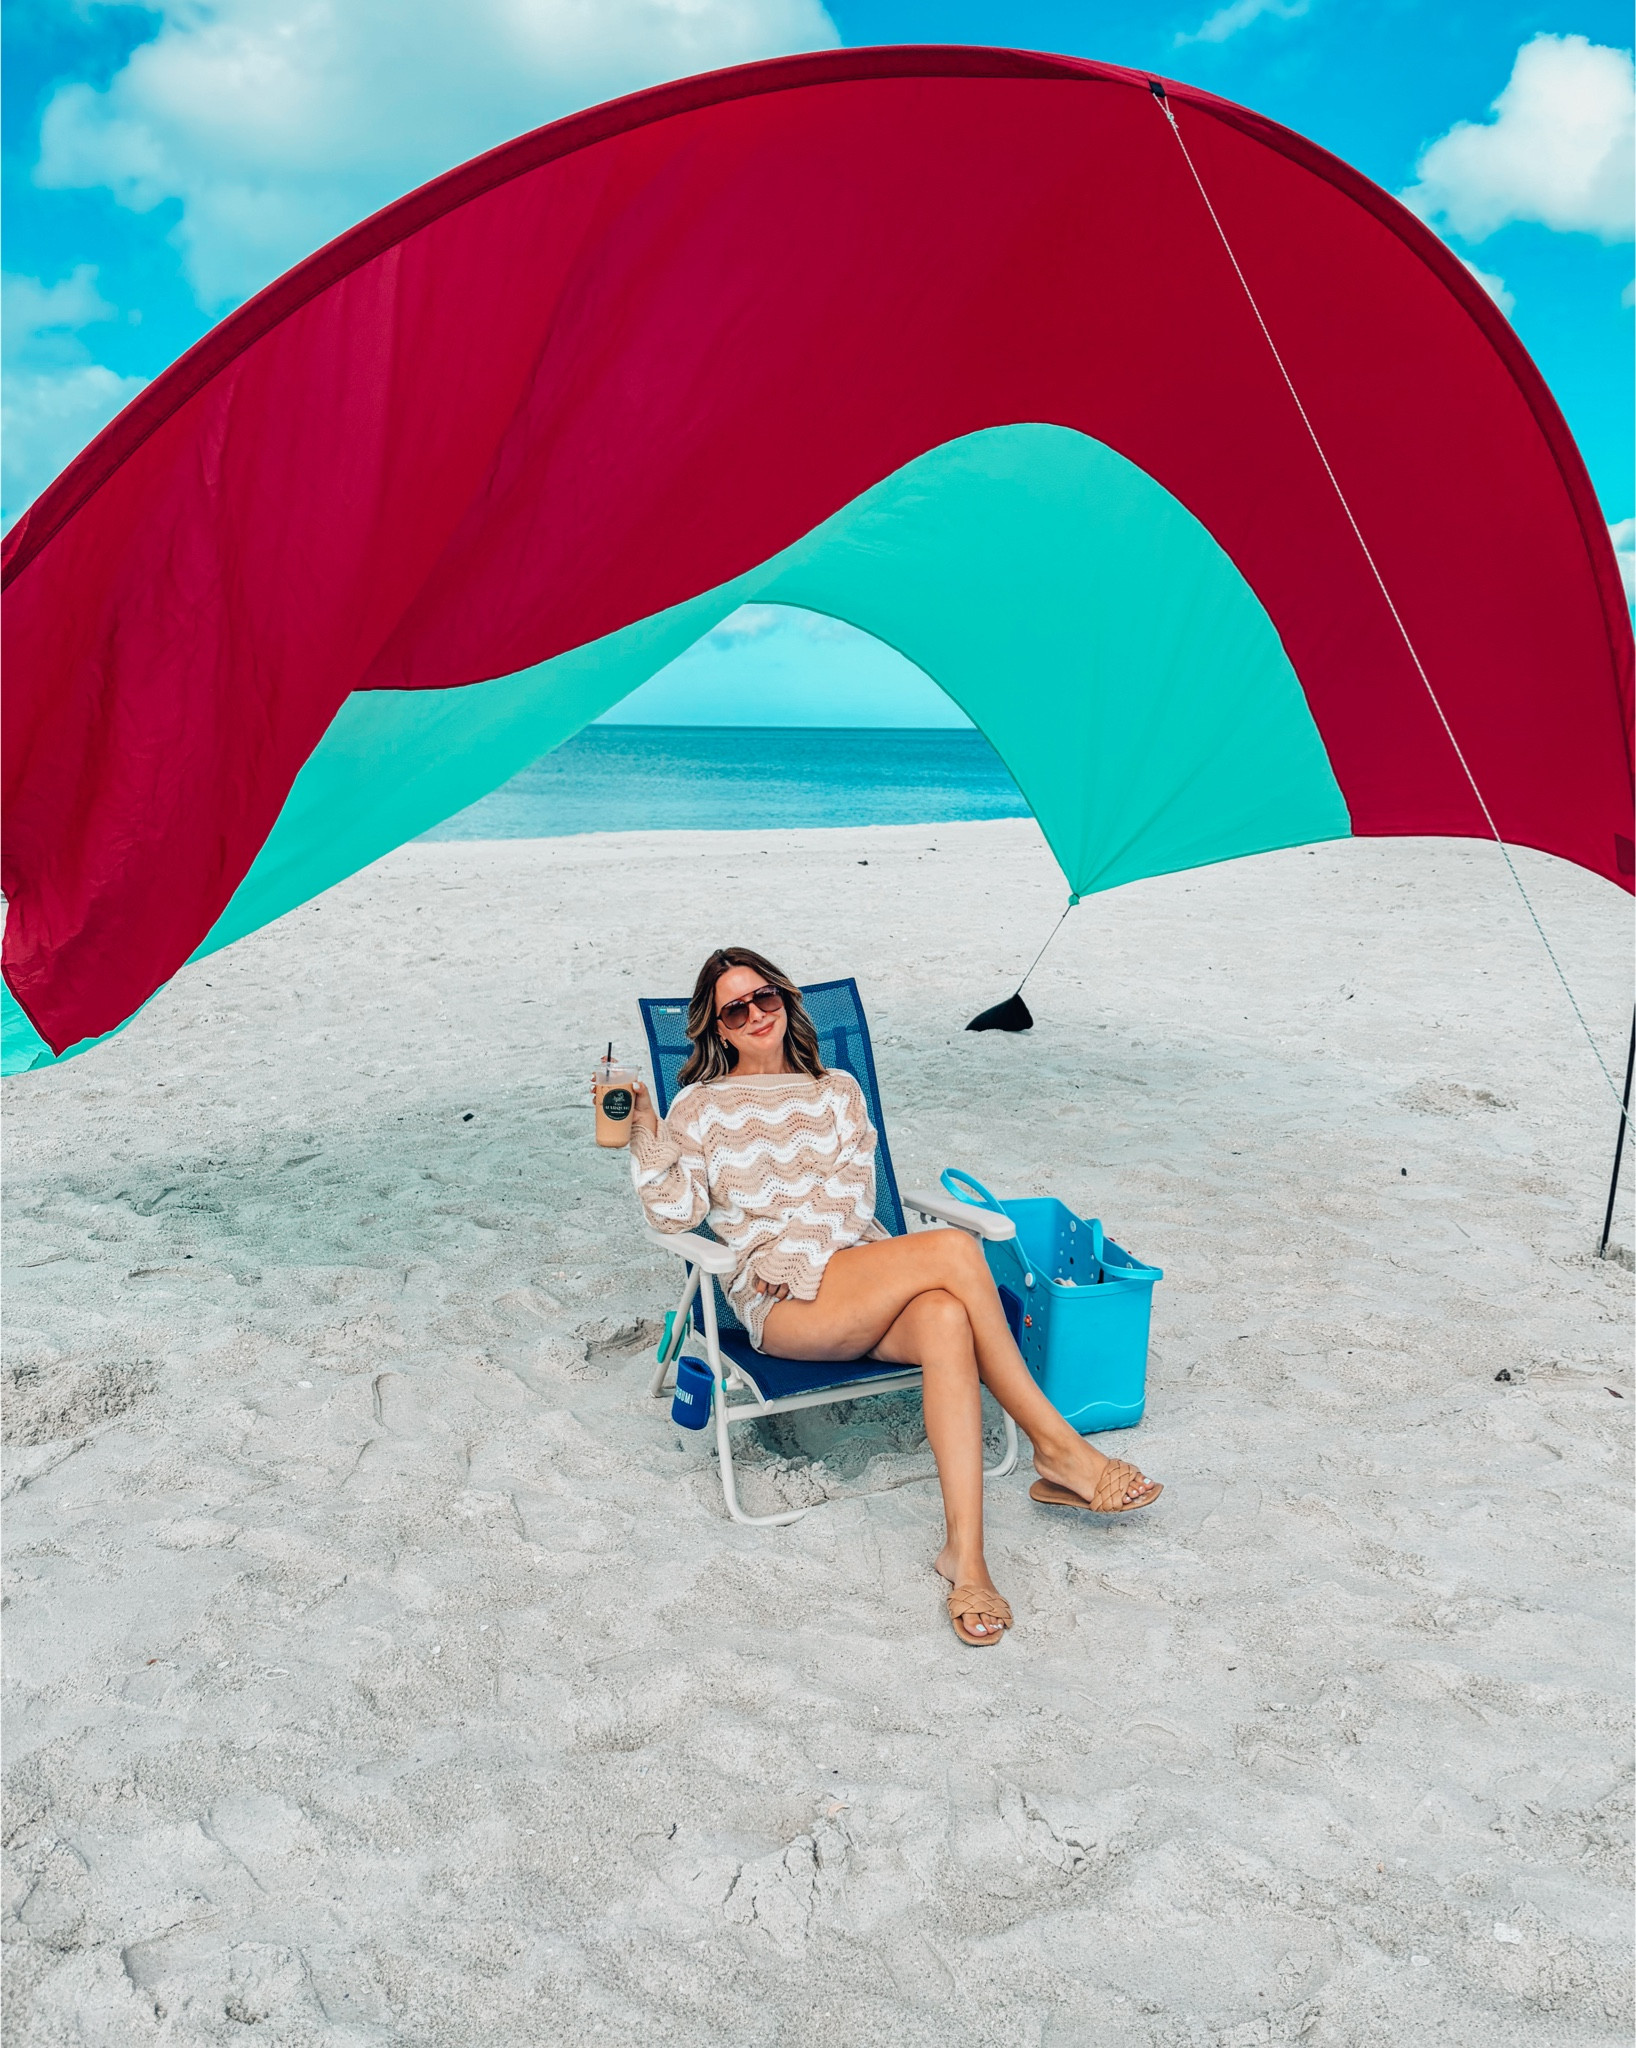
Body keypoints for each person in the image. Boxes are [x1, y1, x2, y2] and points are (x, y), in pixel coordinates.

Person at [622, 946, 1162, 1646]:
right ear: (717, 1028)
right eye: (736, 1008)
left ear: (785, 1000)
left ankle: (964, 1557)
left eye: (766, 998)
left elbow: (855, 1195)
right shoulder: (697, 1107)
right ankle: (1057, 1447)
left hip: (855, 1269)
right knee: (954, 1249)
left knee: (943, 1315)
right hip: (781, 1305)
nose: (756, 1013)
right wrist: (642, 1130)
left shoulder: (837, 1090)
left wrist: (800, 1250)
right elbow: (674, 1212)